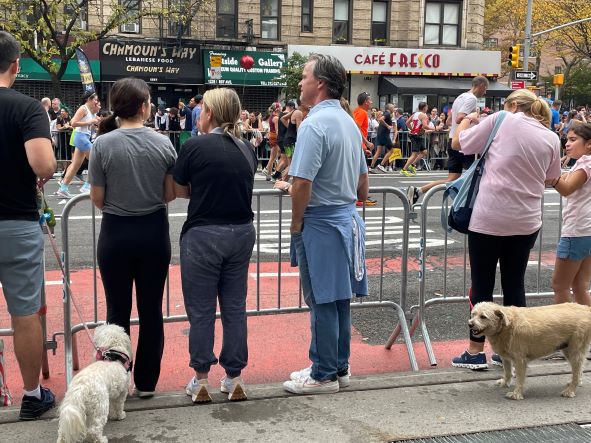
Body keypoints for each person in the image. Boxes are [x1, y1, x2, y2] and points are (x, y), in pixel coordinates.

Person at [449, 89, 561, 370]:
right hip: (526, 219)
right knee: (515, 284)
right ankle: (509, 351)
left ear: (512, 105)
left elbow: (457, 143)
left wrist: (466, 119)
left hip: (490, 217)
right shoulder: (551, 137)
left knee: (482, 283)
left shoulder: (501, 119)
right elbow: (551, 178)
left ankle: (475, 351)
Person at [282, 53, 369, 395]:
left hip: (320, 221)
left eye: (304, 76)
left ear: (319, 83)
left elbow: (302, 183)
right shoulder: (348, 121)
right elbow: (364, 185)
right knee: (339, 300)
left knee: (321, 300)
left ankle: (322, 373)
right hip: (346, 217)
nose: (300, 82)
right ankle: (338, 367)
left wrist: (296, 222)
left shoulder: (314, 124)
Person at [88, 77, 177, 398]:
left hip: (115, 233)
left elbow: (97, 198)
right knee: (151, 309)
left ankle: (116, 381)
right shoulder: (164, 143)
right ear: (143, 106)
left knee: (117, 311)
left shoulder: (103, 145)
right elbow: (169, 193)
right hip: (153, 232)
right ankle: (147, 382)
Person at [173, 88, 257, 403]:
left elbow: (180, 189)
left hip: (203, 233)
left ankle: (201, 378)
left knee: (202, 310)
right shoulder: (246, 148)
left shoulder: (194, 146)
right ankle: (234, 376)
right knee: (235, 307)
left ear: (209, 113)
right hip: (241, 232)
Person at [0, 30, 57, 420]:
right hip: (16, 221)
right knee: (25, 313)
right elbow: (43, 165)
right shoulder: (27, 109)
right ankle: (32, 395)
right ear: (15, 65)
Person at [406, 76, 488, 205]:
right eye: (485, 89)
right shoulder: (472, 99)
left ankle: (418, 191)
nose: (485, 92)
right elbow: (458, 118)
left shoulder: (460, 97)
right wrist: (475, 120)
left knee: (452, 178)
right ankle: (469, 207)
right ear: (481, 85)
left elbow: (449, 121)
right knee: (480, 175)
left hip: (452, 140)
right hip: (464, 143)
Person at [550, 122, 591, 306]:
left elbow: (565, 188)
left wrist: (550, 176)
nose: (567, 143)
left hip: (576, 231)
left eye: (573, 140)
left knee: (560, 286)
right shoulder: (582, 164)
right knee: (579, 286)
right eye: (567, 139)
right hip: (586, 231)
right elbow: (564, 179)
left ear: (589, 144)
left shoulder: (586, 165)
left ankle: (567, 333)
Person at [56, 90, 101, 198]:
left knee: (75, 165)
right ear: (89, 99)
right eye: (95, 99)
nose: (96, 101)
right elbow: (73, 123)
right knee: (97, 161)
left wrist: (95, 124)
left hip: (83, 137)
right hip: (81, 137)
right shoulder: (83, 108)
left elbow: (87, 125)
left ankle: (63, 189)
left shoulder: (89, 111)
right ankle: (87, 186)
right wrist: (90, 122)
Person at [400, 102, 429, 176]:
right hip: (417, 136)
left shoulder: (415, 114)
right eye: (427, 107)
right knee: (414, 154)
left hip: (416, 135)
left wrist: (412, 129)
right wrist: (434, 128)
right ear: (424, 107)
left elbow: (407, 123)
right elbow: (425, 126)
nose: (427, 108)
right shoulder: (423, 115)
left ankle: (412, 165)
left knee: (424, 152)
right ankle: (404, 169)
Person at [368, 103, 397, 173]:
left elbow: (380, 119)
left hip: (380, 135)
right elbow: (381, 119)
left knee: (378, 152)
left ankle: (371, 167)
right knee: (391, 150)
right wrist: (387, 126)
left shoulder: (386, 113)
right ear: (389, 108)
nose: (394, 109)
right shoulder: (387, 113)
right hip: (384, 135)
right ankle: (381, 165)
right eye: (393, 108)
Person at [352, 92, 374, 157]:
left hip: (358, 147)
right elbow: (356, 129)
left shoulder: (357, 111)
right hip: (358, 147)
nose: (371, 102)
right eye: (370, 100)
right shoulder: (362, 112)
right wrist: (367, 143)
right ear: (365, 102)